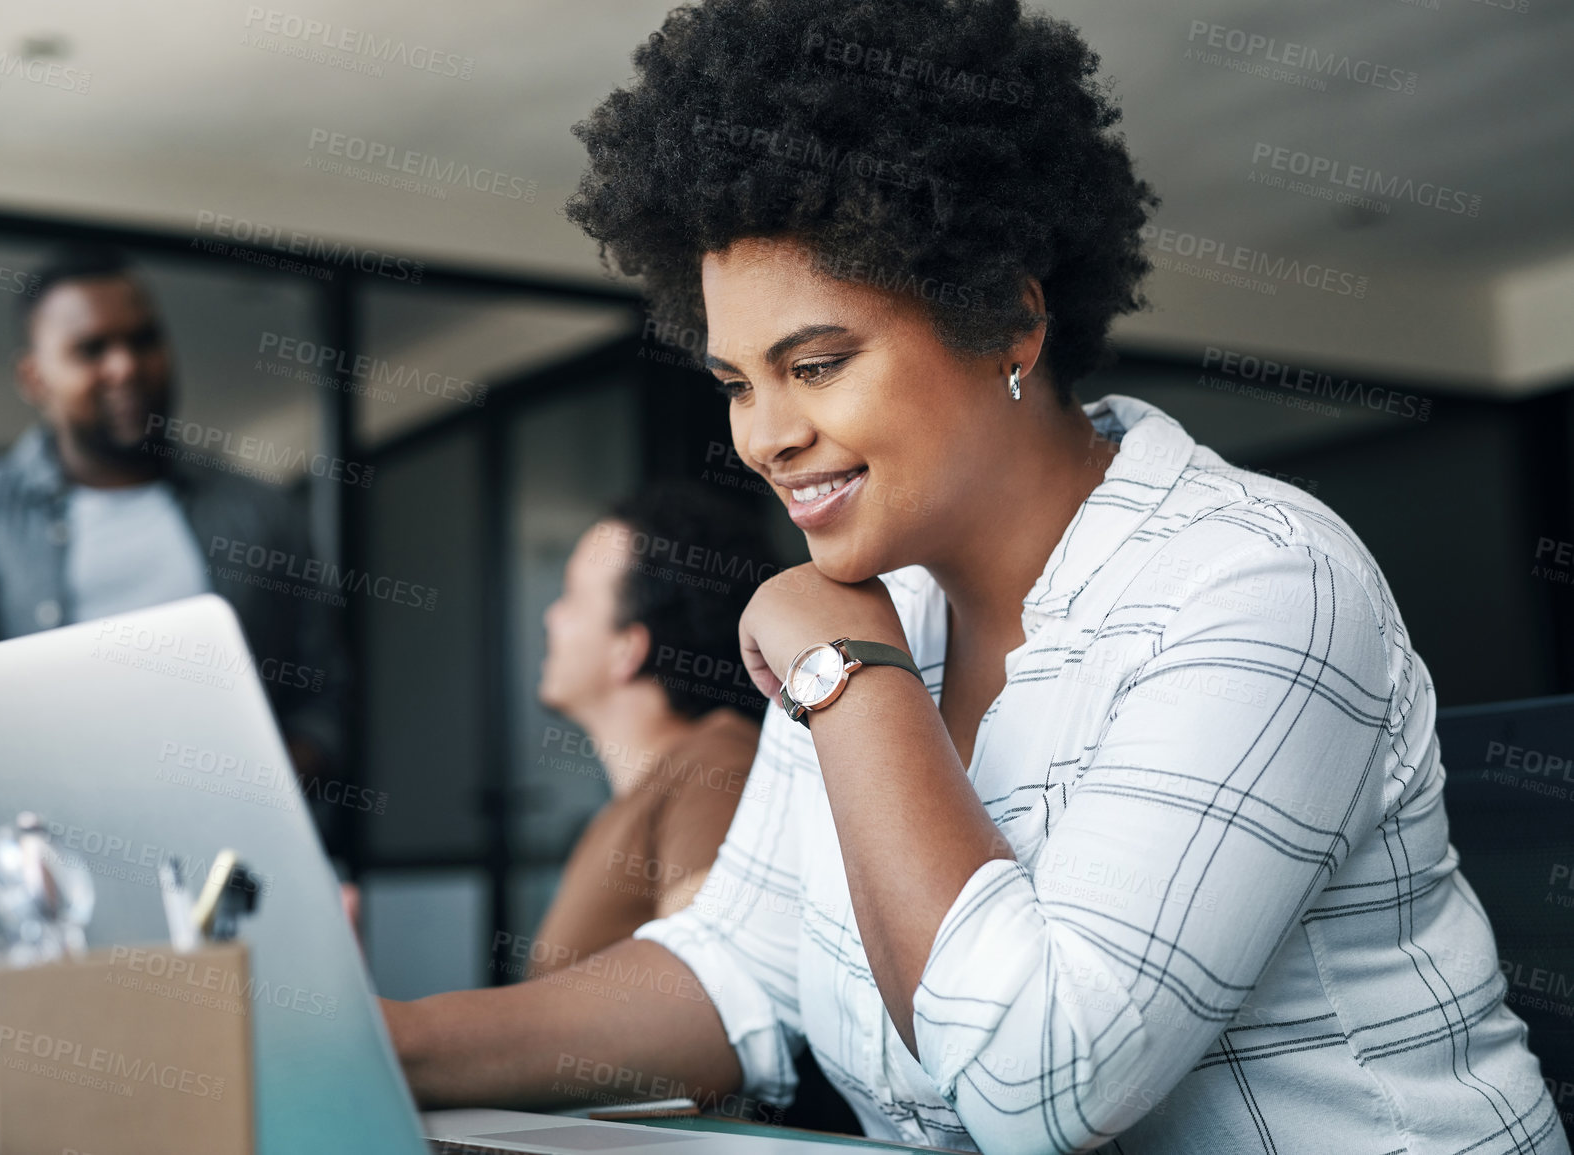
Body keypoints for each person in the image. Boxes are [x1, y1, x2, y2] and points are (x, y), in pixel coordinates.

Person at [381, 2, 1566, 1152]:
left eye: (820, 362)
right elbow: (741, 964)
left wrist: (847, 671)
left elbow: (1041, 1088)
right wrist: (395, 1046)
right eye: (739, 382)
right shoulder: (869, 610)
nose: (765, 437)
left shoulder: (1255, 583)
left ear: (1008, 321)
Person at [0, 247, 348, 849]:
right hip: (45, 896)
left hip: (233, 872)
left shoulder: (260, 513)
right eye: (91, 349)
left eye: (144, 340)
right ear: (34, 378)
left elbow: (325, 691)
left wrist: (277, 782)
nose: (125, 367)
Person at [524, 483, 771, 978]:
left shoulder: (717, 762)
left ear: (628, 651)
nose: (552, 617)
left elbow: (711, 986)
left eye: (571, 597)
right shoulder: (625, 806)